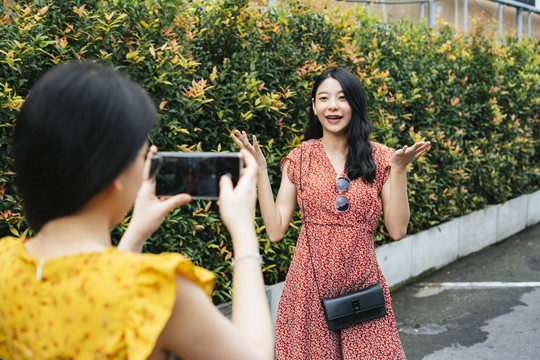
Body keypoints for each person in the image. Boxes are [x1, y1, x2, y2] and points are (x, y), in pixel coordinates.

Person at [0, 62, 274, 360]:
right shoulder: (154, 288)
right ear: (114, 172)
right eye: (143, 155)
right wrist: (244, 231)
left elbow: (93, 293)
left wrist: (136, 232)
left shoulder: (6, 265)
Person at [231, 67, 430, 359]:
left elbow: (397, 229)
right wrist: (261, 171)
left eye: (341, 98)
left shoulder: (383, 157)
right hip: (307, 292)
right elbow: (275, 231)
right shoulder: (299, 158)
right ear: (314, 106)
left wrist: (398, 170)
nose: (332, 106)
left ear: (355, 104)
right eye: (323, 98)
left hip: (362, 289)